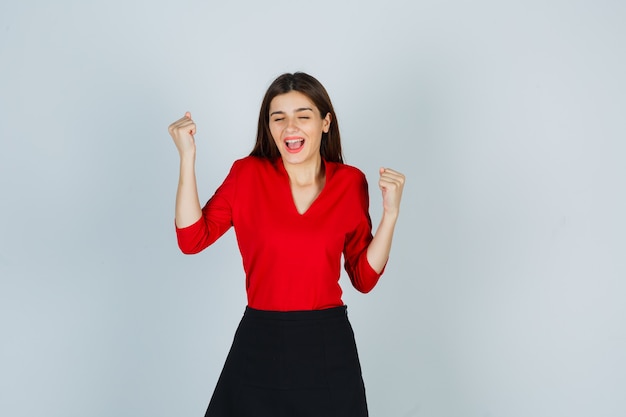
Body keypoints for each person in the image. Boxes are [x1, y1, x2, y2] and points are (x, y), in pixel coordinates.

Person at [168, 72, 405, 417]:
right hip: (259, 340)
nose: (290, 127)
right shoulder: (247, 175)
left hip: (327, 346)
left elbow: (363, 278)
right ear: (269, 127)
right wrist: (187, 157)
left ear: (325, 122)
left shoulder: (351, 183)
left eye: (303, 116)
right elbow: (191, 239)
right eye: (278, 118)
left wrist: (391, 215)